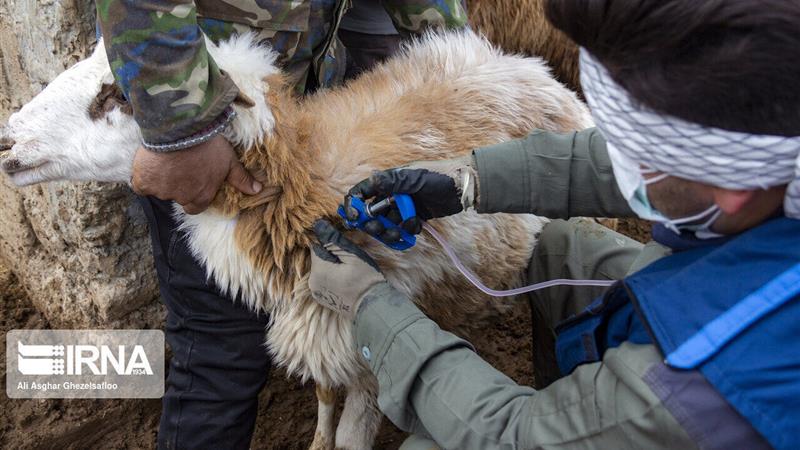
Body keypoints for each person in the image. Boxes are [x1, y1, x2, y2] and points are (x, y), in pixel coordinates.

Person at [307, 1, 800, 449]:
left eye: (637, 151)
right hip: (710, 288)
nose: (618, 154)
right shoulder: (765, 156)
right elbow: (622, 163)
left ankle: (584, 417)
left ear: (731, 189)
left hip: (685, 389)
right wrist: (467, 179)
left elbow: (513, 434)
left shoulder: (690, 385)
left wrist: (372, 307)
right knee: (558, 245)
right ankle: (573, 391)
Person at [94, 0, 467, 448]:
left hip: (297, 112)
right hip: (203, 120)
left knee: (319, 300)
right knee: (220, 348)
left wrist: (456, 53)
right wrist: (183, 132)